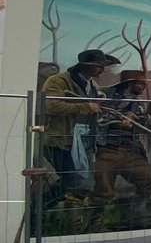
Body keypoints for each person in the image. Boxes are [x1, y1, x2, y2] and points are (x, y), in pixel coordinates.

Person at [41, 48, 120, 229]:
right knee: (76, 183)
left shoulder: (91, 85)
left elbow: (93, 110)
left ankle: (42, 208)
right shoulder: (59, 81)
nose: (102, 70)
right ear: (87, 66)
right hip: (61, 139)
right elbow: (50, 104)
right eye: (99, 66)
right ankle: (70, 225)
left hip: (84, 140)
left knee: (74, 182)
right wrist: (83, 106)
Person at [88, 70, 151, 230]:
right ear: (129, 83)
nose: (143, 86)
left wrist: (134, 118)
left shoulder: (138, 102)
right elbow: (96, 116)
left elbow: (144, 120)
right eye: (140, 83)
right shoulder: (106, 95)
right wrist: (117, 119)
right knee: (103, 189)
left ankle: (134, 214)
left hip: (129, 149)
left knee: (150, 179)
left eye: (144, 83)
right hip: (107, 148)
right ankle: (94, 223)